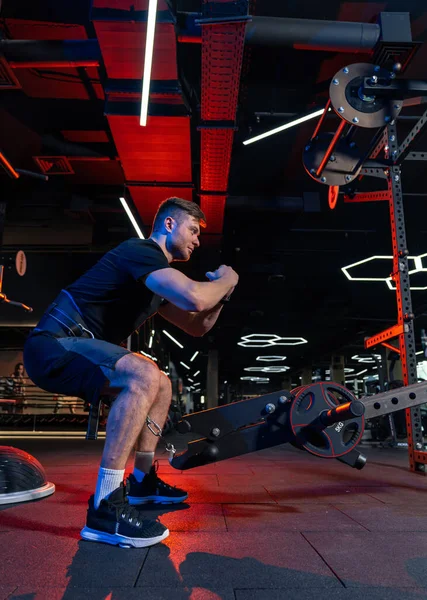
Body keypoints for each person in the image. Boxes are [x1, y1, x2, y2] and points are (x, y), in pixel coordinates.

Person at [23, 198, 239, 549]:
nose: (198, 240)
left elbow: (198, 326)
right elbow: (196, 297)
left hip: (81, 348)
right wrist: (229, 277)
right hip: (54, 344)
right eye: (193, 230)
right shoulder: (139, 251)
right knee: (144, 373)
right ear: (168, 225)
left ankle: (142, 481)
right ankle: (105, 509)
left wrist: (226, 293)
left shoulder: (152, 283)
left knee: (163, 384)